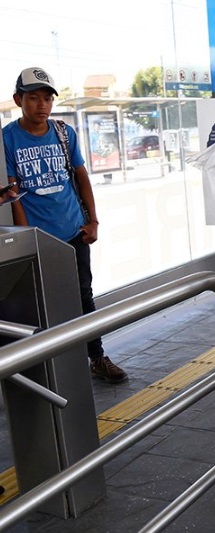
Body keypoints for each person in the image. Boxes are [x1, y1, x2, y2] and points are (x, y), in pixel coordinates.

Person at [3, 67, 128, 384]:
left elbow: (81, 177)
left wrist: (93, 221)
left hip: (73, 233)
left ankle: (97, 357)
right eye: (33, 98)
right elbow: (13, 194)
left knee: (84, 296)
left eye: (47, 98)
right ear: (18, 100)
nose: (42, 105)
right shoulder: (7, 139)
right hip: (39, 239)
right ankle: (49, 367)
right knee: (39, 303)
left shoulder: (63, 133)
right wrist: (26, 239)